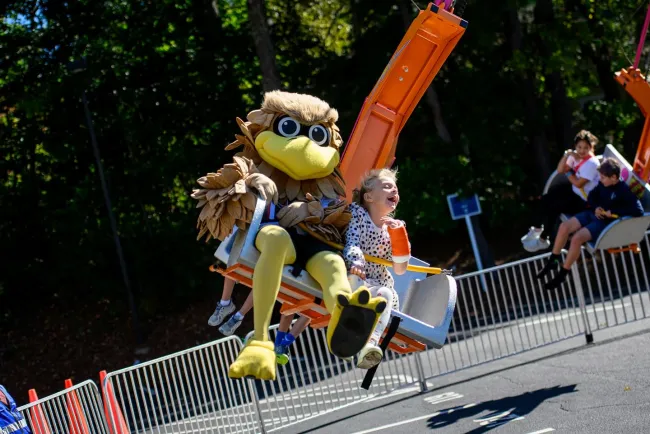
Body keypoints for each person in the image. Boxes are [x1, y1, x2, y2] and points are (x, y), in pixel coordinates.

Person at [536, 158, 644, 290]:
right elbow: (592, 197)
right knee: (564, 227)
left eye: (603, 177)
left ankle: (562, 274)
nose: (600, 179)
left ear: (614, 177)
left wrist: (614, 212)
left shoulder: (623, 190)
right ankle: (554, 260)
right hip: (592, 213)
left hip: (603, 222)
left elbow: (638, 211)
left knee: (576, 239)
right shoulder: (602, 184)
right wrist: (596, 207)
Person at [344, 168, 410, 369]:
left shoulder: (394, 229)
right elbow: (352, 242)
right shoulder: (358, 215)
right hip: (357, 276)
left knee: (386, 295)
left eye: (395, 189)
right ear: (369, 196)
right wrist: (356, 261)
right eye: (387, 186)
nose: (394, 191)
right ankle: (352, 333)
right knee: (362, 287)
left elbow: (400, 269)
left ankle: (369, 345)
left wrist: (398, 235)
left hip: (378, 285)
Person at [521, 130, 600, 252]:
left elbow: (578, 184)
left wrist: (568, 172)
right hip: (574, 192)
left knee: (556, 205)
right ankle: (538, 230)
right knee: (549, 196)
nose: (582, 150)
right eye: (579, 147)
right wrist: (567, 155)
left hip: (584, 201)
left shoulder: (592, 163)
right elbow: (559, 169)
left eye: (586, 147)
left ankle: (543, 238)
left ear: (591, 147)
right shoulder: (576, 156)